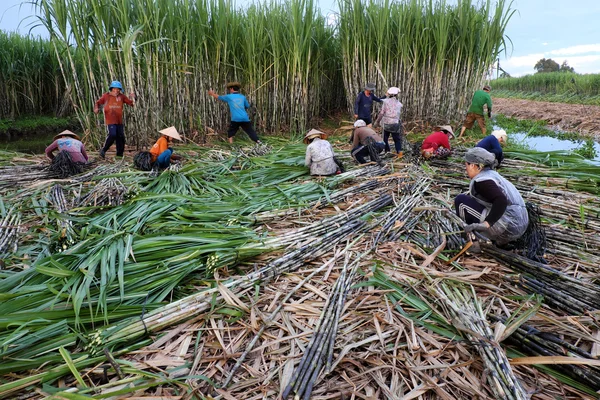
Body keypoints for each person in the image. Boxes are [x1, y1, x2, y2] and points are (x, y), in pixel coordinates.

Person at [455, 147, 528, 247]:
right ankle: (501, 243)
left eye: (466, 165)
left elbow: (501, 200)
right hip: (520, 225)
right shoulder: (492, 175)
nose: (466, 169)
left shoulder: (482, 181)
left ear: (473, 165)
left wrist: (487, 224)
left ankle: (471, 242)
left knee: (461, 201)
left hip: (507, 227)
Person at [94, 80, 135, 158]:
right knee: (113, 134)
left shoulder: (122, 96)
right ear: (111, 89)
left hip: (119, 120)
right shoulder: (106, 96)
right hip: (110, 120)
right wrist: (96, 109)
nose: (116, 91)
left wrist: (134, 97)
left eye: (118, 89)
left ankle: (119, 154)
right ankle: (104, 150)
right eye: (114, 89)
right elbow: (98, 103)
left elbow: (131, 103)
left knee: (121, 137)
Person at [375, 86, 403, 157]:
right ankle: (399, 152)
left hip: (386, 123)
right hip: (395, 123)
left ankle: (387, 151)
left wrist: (377, 122)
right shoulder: (399, 104)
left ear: (389, 94)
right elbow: (398, 114)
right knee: (397, 139)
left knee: (385, 138)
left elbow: (382, 113)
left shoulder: (386, 102)